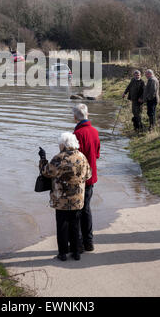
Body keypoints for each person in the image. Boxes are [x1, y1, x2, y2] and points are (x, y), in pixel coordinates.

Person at [39, 132, 91, 261]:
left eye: (59, 144)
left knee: (62, 225)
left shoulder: (59, 158)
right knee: (75, 224)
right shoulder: (82, 157)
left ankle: (62, 253)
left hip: (61, 199)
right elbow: (88, 175)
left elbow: (46, 172)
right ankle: (76, 252)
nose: (59, 146)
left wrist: (42, 158)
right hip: (77, 198)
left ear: (63, 144)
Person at [72, 104, 100, 252]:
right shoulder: (95, 131)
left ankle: (80, 244)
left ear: (75, 117)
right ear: (87, 114)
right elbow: (96, 154)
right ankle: (88, 242)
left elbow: (74, 159)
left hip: (80, 179)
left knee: (78, 210)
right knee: (86, 209)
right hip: (91, 177)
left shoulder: (77, 134)